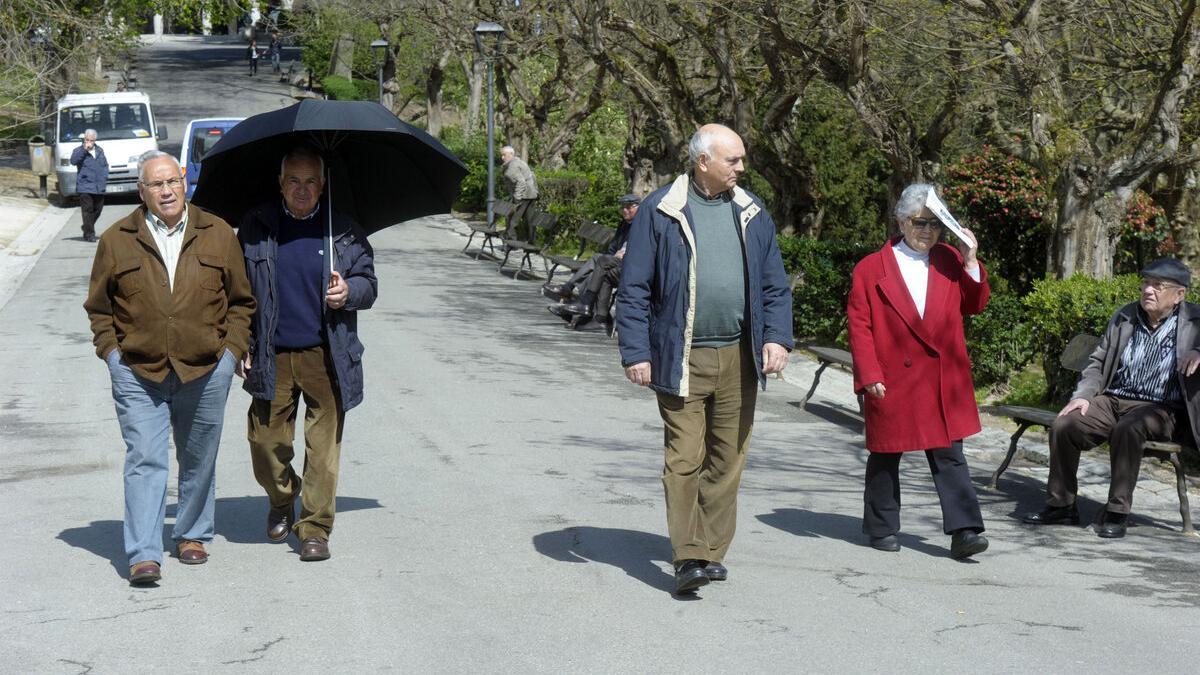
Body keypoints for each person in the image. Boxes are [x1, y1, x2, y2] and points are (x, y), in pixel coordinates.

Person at [616, 124, 793, 595]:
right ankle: (688, 555)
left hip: (740, 356)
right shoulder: (660, 210)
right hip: (680, 356)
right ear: (703, 162)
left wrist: (777, 339)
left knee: (728, 458)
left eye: (741, 159)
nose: (741, 167)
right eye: (732, 160)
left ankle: (712, 551)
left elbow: (775, 286)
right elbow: (633, 290)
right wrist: (636, 352)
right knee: (684, 458)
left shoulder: (752, 212)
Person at [84, 150, 255, 585]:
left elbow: (241, 303)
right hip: (139, 372)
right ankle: (144, 553)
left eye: (172, 181)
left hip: (205, 368)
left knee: (199, 456)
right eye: (156, 184)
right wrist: (113, 356)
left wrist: (231, 353)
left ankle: (192, 533)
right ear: (141, 192)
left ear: (185, 184)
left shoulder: (218, 233)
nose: (166, 190)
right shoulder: (116, 239)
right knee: (144, 457)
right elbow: (99, 309)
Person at [238, 146, 378, 563]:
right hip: (271, 355)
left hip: (327, 355)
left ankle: (315, 527)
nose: (302, 189)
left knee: (323, 451)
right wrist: (240, 344)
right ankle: (282, 498)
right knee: (265, 444)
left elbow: (369, 284)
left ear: (323, 185)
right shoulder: (256, 227)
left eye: (311, 181)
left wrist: (348, 291)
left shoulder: (345, 231)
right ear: (281, 183)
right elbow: (238, 294)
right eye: (294, 181)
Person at [846, 183, 990, 559]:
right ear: (900, 221)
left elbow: (975, 305)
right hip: (893, 376)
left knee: (949, 454)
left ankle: (966, 531)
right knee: (885, 454)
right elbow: (859, 325)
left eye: (934, 225)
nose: (927, 231)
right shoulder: (870, 268)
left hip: (942, 378)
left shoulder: (948, 259)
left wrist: (971, 260)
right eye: (918, 222)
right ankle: (881, 526)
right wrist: (868, 374)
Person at [1023, 258, 1200, 538]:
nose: (1148, 290)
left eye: (1158, 285)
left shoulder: (1195, 321)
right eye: (1146, 283)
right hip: (1114, 398)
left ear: (1179, 295)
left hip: (1161, 410)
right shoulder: (1125, 316)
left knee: (1129, 428)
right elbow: (1097, 361)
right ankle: (1062, 505)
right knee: (1065, 424)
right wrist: (1083, 396)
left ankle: (1118, 511)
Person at [542, 193, 639, 303]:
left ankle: (573, 294)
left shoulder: (641, 225)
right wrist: (611, 257)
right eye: (622, 207)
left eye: (628, 207)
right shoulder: (624, 224)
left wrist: (623, 254)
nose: (624, 210)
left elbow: (639, 249)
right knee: (593, 273)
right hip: (613, 262)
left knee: (597, 262)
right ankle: (582, 306)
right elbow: (613, 246)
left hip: (627, 266)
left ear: (638, 207)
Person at [71, 129, 108, 242]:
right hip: (85, 186)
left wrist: (105, 177)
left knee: (98, 209)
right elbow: (73, 161)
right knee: (87, 210)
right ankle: (89, 234)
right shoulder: (78, 150)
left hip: (98, 186)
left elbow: (105, 165)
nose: (89, 142)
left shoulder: (100, 151)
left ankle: (87, 226)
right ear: (84, 139)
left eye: (91, 140)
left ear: (95, 140)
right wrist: (84, 150)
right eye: (87, 140)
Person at [500, 145, 538, 240]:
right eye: (502, 155)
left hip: (523, 196)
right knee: (530, 220)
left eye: (504, 155)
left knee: (512, 220)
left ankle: (511, 243)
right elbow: (531, 176)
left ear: (511, 154)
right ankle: (532, 243)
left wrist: (517, 198)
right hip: (531, 195)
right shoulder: (519, 162)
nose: (502, 157)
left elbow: (521, 182)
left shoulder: (512, 167)